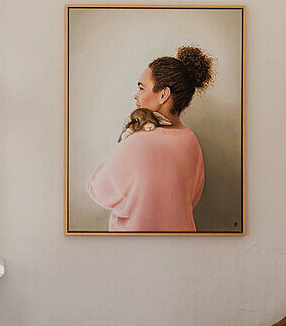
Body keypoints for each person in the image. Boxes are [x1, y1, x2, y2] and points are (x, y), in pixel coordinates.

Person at [86, 45, 214, 232]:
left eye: (141, 88)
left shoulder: (137, 142)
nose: (136, 95)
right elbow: (192, 198)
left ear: (163, 95)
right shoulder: (191, 140)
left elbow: (98, 190)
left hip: (137, 248)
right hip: (184, 246)